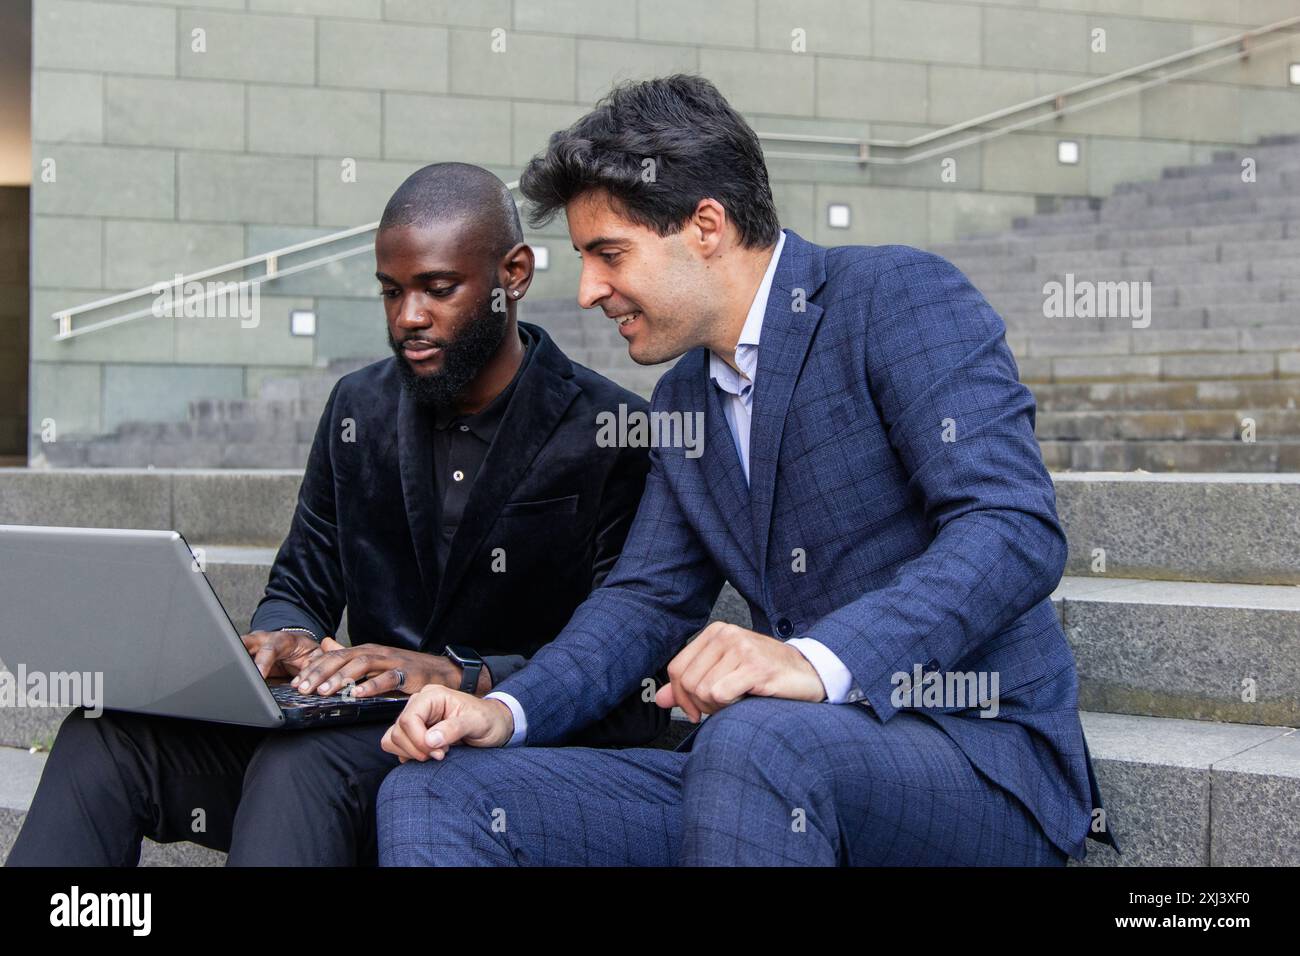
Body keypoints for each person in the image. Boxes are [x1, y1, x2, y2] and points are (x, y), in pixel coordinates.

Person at [374, 77, 1120, 866]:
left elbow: (1012, 529)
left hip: (977, 758)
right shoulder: (683, 396)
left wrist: (814, 661)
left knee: (753, 738)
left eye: (608, 254)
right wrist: (507, 711)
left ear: (705, 226)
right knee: (435, 788)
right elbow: (646, 601)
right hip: (772, 772)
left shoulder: (896, 296)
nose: (589, 290)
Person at [6, 163, 661, 867]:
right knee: (103, 734)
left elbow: (620, 659)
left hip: (498, 754)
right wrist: (283, 638)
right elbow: (301, 579)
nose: (408, 316)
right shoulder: (358, 407)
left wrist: (459, 673)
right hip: (353, 733)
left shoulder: (612, 430)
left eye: (439, 289)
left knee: (302, 765)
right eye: (391, 291)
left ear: (515, 274)